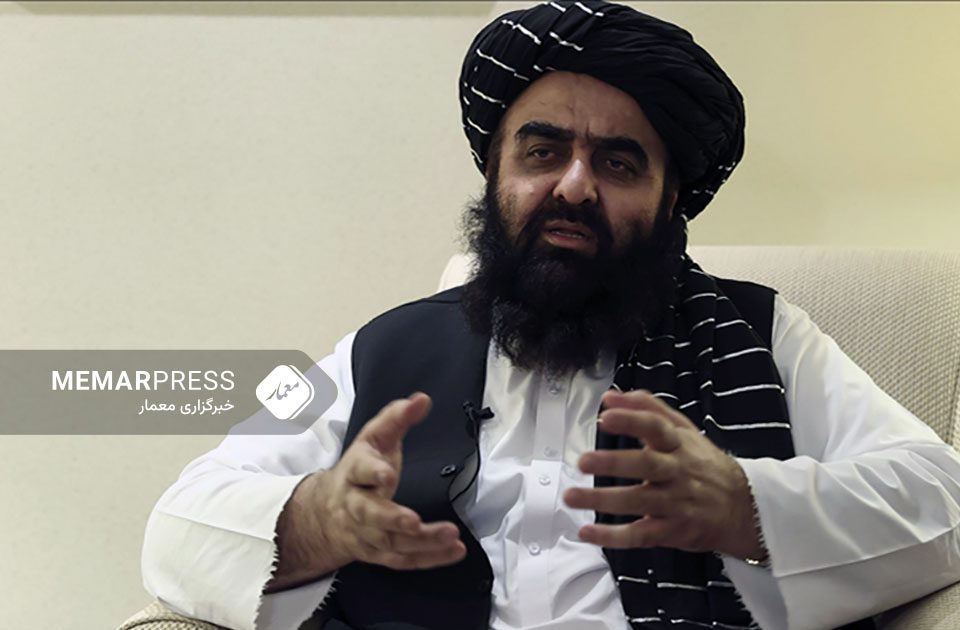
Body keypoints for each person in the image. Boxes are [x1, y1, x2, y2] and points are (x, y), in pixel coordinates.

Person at [141, 2, 960, 629]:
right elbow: (180, 523)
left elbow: (943, 497)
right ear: (494, 173)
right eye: (542, 152)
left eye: (618, 163)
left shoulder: (761, 334)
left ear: (671, 199)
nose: (574, 185)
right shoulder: (385, 347)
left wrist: (744, 504)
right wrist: (319, 520)